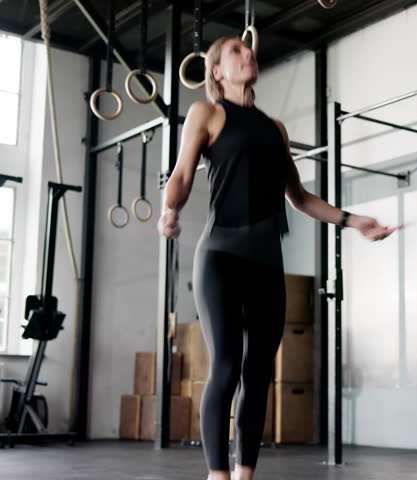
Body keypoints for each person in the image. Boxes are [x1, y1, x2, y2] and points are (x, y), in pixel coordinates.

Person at [158, 34, 397, 480]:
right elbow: (182, 174)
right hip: (221, 259)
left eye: (249, 51)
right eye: (236, 51)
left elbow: (299, 197)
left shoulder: (275, 128)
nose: (249, 54)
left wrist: (354, 221)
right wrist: (169, 212)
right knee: (226, 368)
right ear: (216, 71)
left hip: (267, 262)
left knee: (259, 373)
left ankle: (245, 475)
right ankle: (218, 476)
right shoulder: (206, 113)